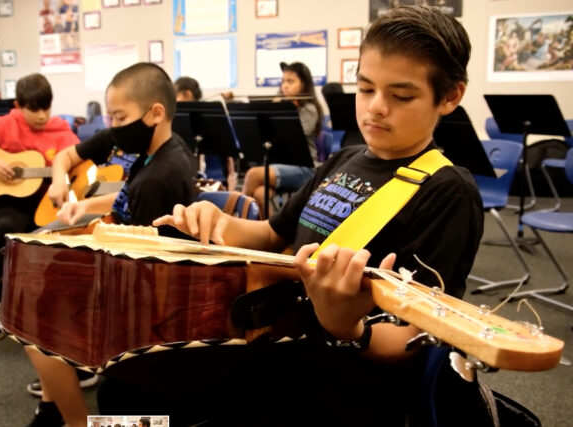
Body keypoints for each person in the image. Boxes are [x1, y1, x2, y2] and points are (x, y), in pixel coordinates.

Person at [149, 6, 487, 425]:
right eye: (365, 89)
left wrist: (349, 327)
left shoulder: (447, 191)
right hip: (280, 346)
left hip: (347, 389)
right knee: (129, 392)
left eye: (401, 96)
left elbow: (414, 338)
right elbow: (272, 235)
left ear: (450, 96)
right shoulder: (343, 160)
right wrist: (216, 222)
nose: (376, 108)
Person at [25, 62, 197, 427]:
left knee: (35, 319)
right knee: (34, 291)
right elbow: (126, 202)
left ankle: (72, 420)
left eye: (119, 118)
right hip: (135, 276)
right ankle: (53, 407)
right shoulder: (156, 153)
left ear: (155, 113)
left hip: (148, 300)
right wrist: (85, 208)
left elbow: (140, 263)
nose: (114, 128)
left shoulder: (162, 175)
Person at [0, 73, 79, 343]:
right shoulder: (3, 124)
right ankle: (0, 306)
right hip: (11, 201)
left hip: (47, 202)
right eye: (34, 109)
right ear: (19, 105)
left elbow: (79, 163)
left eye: (47, 108)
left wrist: (61, 174)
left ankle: (48, 315)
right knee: (6, 231)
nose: (42, 116)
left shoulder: (61, 132)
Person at [241, 61, 324, 212]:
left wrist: (279, 110)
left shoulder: (309, 109)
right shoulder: (279, 106)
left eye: (290, 81)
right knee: (260, 193)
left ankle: (234, 216)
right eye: (283, 81)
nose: (285, 86)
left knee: (253, 174)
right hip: (280, 165)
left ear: (304, 84)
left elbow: (291, 137)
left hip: (305, 169)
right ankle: (269, 232)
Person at [174, 76, 238, 190]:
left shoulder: (211, 116)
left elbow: (229, 148)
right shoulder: (177, 119)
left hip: (212, 177)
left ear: (187, 94)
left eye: (176, 96)